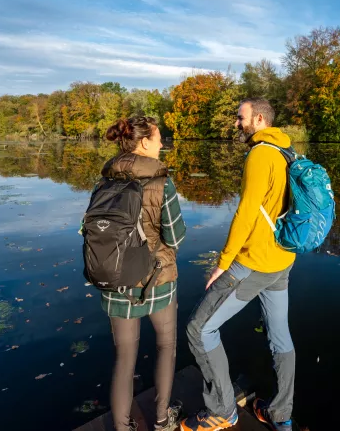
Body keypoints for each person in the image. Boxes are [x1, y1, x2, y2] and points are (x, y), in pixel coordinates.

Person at [181, 99, 296, 431]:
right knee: (280, 336)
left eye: (240, 117)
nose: (236, 123)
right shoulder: (286, 152)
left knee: (200, 330)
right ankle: (281, 415)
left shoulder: (260, 154)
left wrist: (223, 263)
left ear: (258, 119)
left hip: (254, 262)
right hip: (282, 260)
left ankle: (222, 411)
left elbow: (246, 212)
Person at [101, 117, 186, 431]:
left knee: (124, 358)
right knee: (166, 345)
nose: (162, 144)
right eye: (159, 138)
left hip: (115, 277)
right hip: (156, 277)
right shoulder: (161, 181)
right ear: (144, 143)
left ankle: (123, 427)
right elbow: (175, 238)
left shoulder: (105, 179)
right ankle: (162, 420)